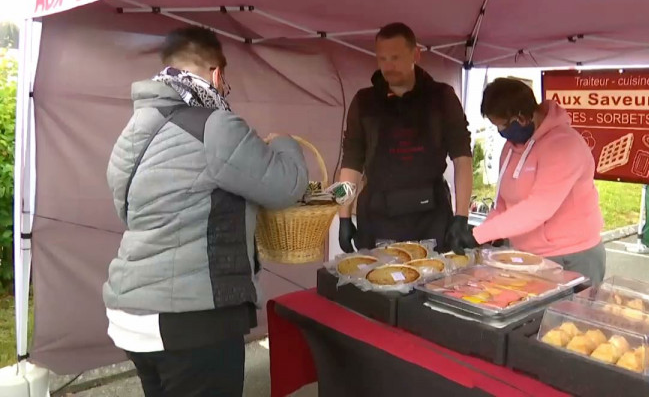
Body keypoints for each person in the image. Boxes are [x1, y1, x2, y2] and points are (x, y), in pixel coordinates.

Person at [103, 26, 309, 397]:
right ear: (216, 74)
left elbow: (127, 209)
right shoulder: (215, 125)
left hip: (130, 316)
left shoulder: (135, 128)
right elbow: (286, 187)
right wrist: (283, 141)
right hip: (193, 321)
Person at [337, 22, 475, 254]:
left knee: (430, 284)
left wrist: (462, 216)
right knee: (376, 286)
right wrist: (343, 215)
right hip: (377, 217)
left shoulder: (442, 97)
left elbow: (462, 157)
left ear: (416, 54)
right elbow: (351, 162)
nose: (388, 66)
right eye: (382, 59)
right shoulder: (364, 101)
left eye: (396, 58)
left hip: (430, 217)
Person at [470, 78, 606, 284]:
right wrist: (478, 234)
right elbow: (503, 205)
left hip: (573, 257)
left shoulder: (565, 145)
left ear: (522, 118)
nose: (501, 132)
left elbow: (538, 208)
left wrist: (479, 235)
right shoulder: (510, 148)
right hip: (526, 256)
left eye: (503, 125)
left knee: (569, 316)